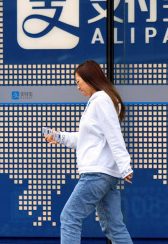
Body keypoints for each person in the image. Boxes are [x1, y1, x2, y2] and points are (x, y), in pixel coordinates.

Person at [44, 60, 134, 244]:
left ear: (90, 79)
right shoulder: (99, 101)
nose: (77, 87)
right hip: (105, 174)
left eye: (78, 82)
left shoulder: (100, 100)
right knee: (114, 227)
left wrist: (125, 166)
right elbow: (87, 139)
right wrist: (59, 137)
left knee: (69, 217)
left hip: (96, 174)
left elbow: (113, 134)